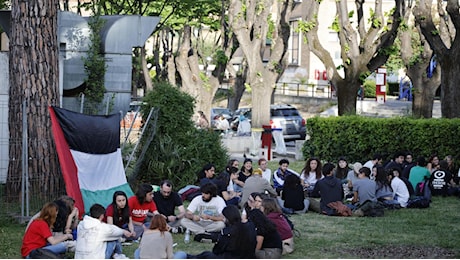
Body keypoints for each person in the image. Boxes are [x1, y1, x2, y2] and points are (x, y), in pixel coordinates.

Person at [187, 205, 257, 259]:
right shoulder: (250, 227)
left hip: (229, 257)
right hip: (248, 256)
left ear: (227, 218)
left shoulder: (227, 232)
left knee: (206, 255)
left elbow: (217, 250)